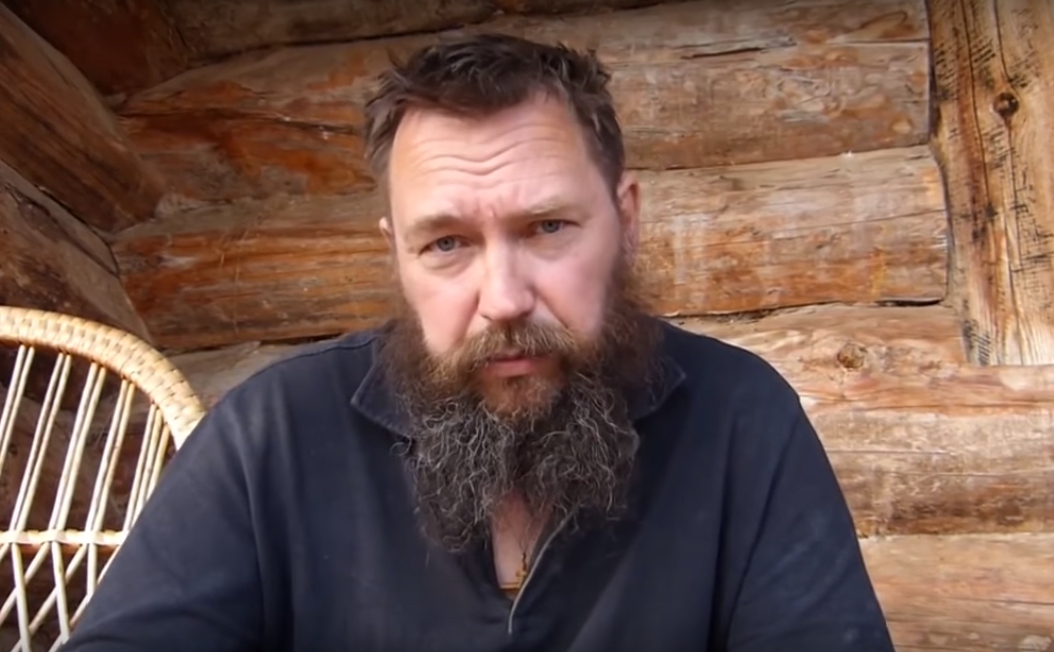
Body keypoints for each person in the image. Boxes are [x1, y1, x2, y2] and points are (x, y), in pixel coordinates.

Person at [61, 33, 894, 652]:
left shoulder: (740, 417)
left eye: (548, 227)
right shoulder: (270, 433)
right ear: (397, 254)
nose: (503, 299)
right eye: (447, 244)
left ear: (626, 221)